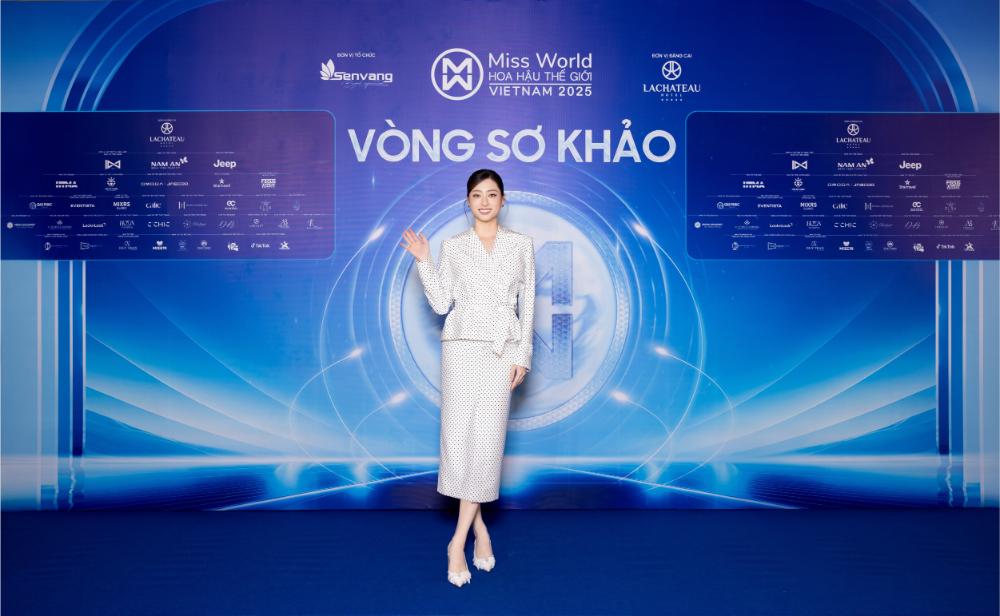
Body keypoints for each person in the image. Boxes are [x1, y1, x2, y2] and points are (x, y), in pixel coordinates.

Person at [400, 169, 535, 587]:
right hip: (460, 349)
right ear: (468, 201)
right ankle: (479, 529)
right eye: (477, 195)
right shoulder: (453, 246)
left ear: (503, 199)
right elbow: (442, 303)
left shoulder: (521, 244)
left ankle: (456, 541)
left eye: (492, 194)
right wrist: (424, 260)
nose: (484, 202)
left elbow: (528, 302)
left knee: (488, 443)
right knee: (458, 439)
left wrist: (523, 355)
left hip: (501, 349)